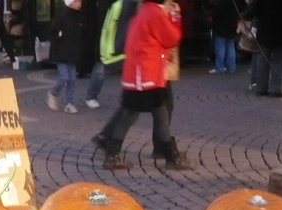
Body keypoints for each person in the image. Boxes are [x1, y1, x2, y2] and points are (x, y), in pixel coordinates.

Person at [102, 0, 192, 170]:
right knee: (156, 114)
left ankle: (112, 153)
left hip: (139, 75)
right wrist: (175, 17)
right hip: (146, 77)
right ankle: (170, 156)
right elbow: (172, 38)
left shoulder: (145, 11)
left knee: (138, 115)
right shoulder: (154, 13)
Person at [241, 0, 282, 97]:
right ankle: (275, 88)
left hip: (265, 31)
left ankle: (261, 88)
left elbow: (253, 9)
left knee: (263, 60)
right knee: (278, 60)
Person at [46, 0, 85, 114]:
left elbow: (80, 36)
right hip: (61, 54)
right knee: (64, 77)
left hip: (72, 54)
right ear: (69, 3)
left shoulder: (79, 18)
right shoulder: (61, 18)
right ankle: (53, 93)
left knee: (72, 79)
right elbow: (52, 33)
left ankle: (69, 103)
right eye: (76, 1)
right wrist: (57, 45)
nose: (80, 3)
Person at [82, 0, 114, 109]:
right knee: (100, 69)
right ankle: (91, 96)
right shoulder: (101, 5)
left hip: (113, 37)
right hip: (105, 39)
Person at [208, 0, 244, 74]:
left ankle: (220, 67)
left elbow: (216, 13)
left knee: (220, 48)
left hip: (220, 27)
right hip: (231, 27)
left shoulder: (220, 2)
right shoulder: (233, 2)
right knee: (231, 47)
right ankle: (232, 67)